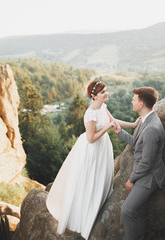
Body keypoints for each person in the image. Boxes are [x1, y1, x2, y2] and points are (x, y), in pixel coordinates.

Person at [46, 79, 139, 239]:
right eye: (103, 92)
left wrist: (133, 124)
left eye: (106, 90)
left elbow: (113, 121)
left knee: (102, 179)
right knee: (89, 181)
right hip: (92, 150)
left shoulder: (103, 107)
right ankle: (86, 213)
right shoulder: (90, 113)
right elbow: (91, 138)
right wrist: (107, 127)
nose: (106, 93)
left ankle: (99, 202)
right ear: (94, 96)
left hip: (102, 148)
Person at [112, 87, 165, 240]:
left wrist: (132, 179)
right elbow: (138, 143)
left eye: (134, 99)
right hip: (145, 172)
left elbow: (147, 162)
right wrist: (120, 132)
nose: (131, 101)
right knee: (139, 212)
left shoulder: (152, 128)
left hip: (150, 176)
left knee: (127, 211)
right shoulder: (146, 120)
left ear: (141, 103)